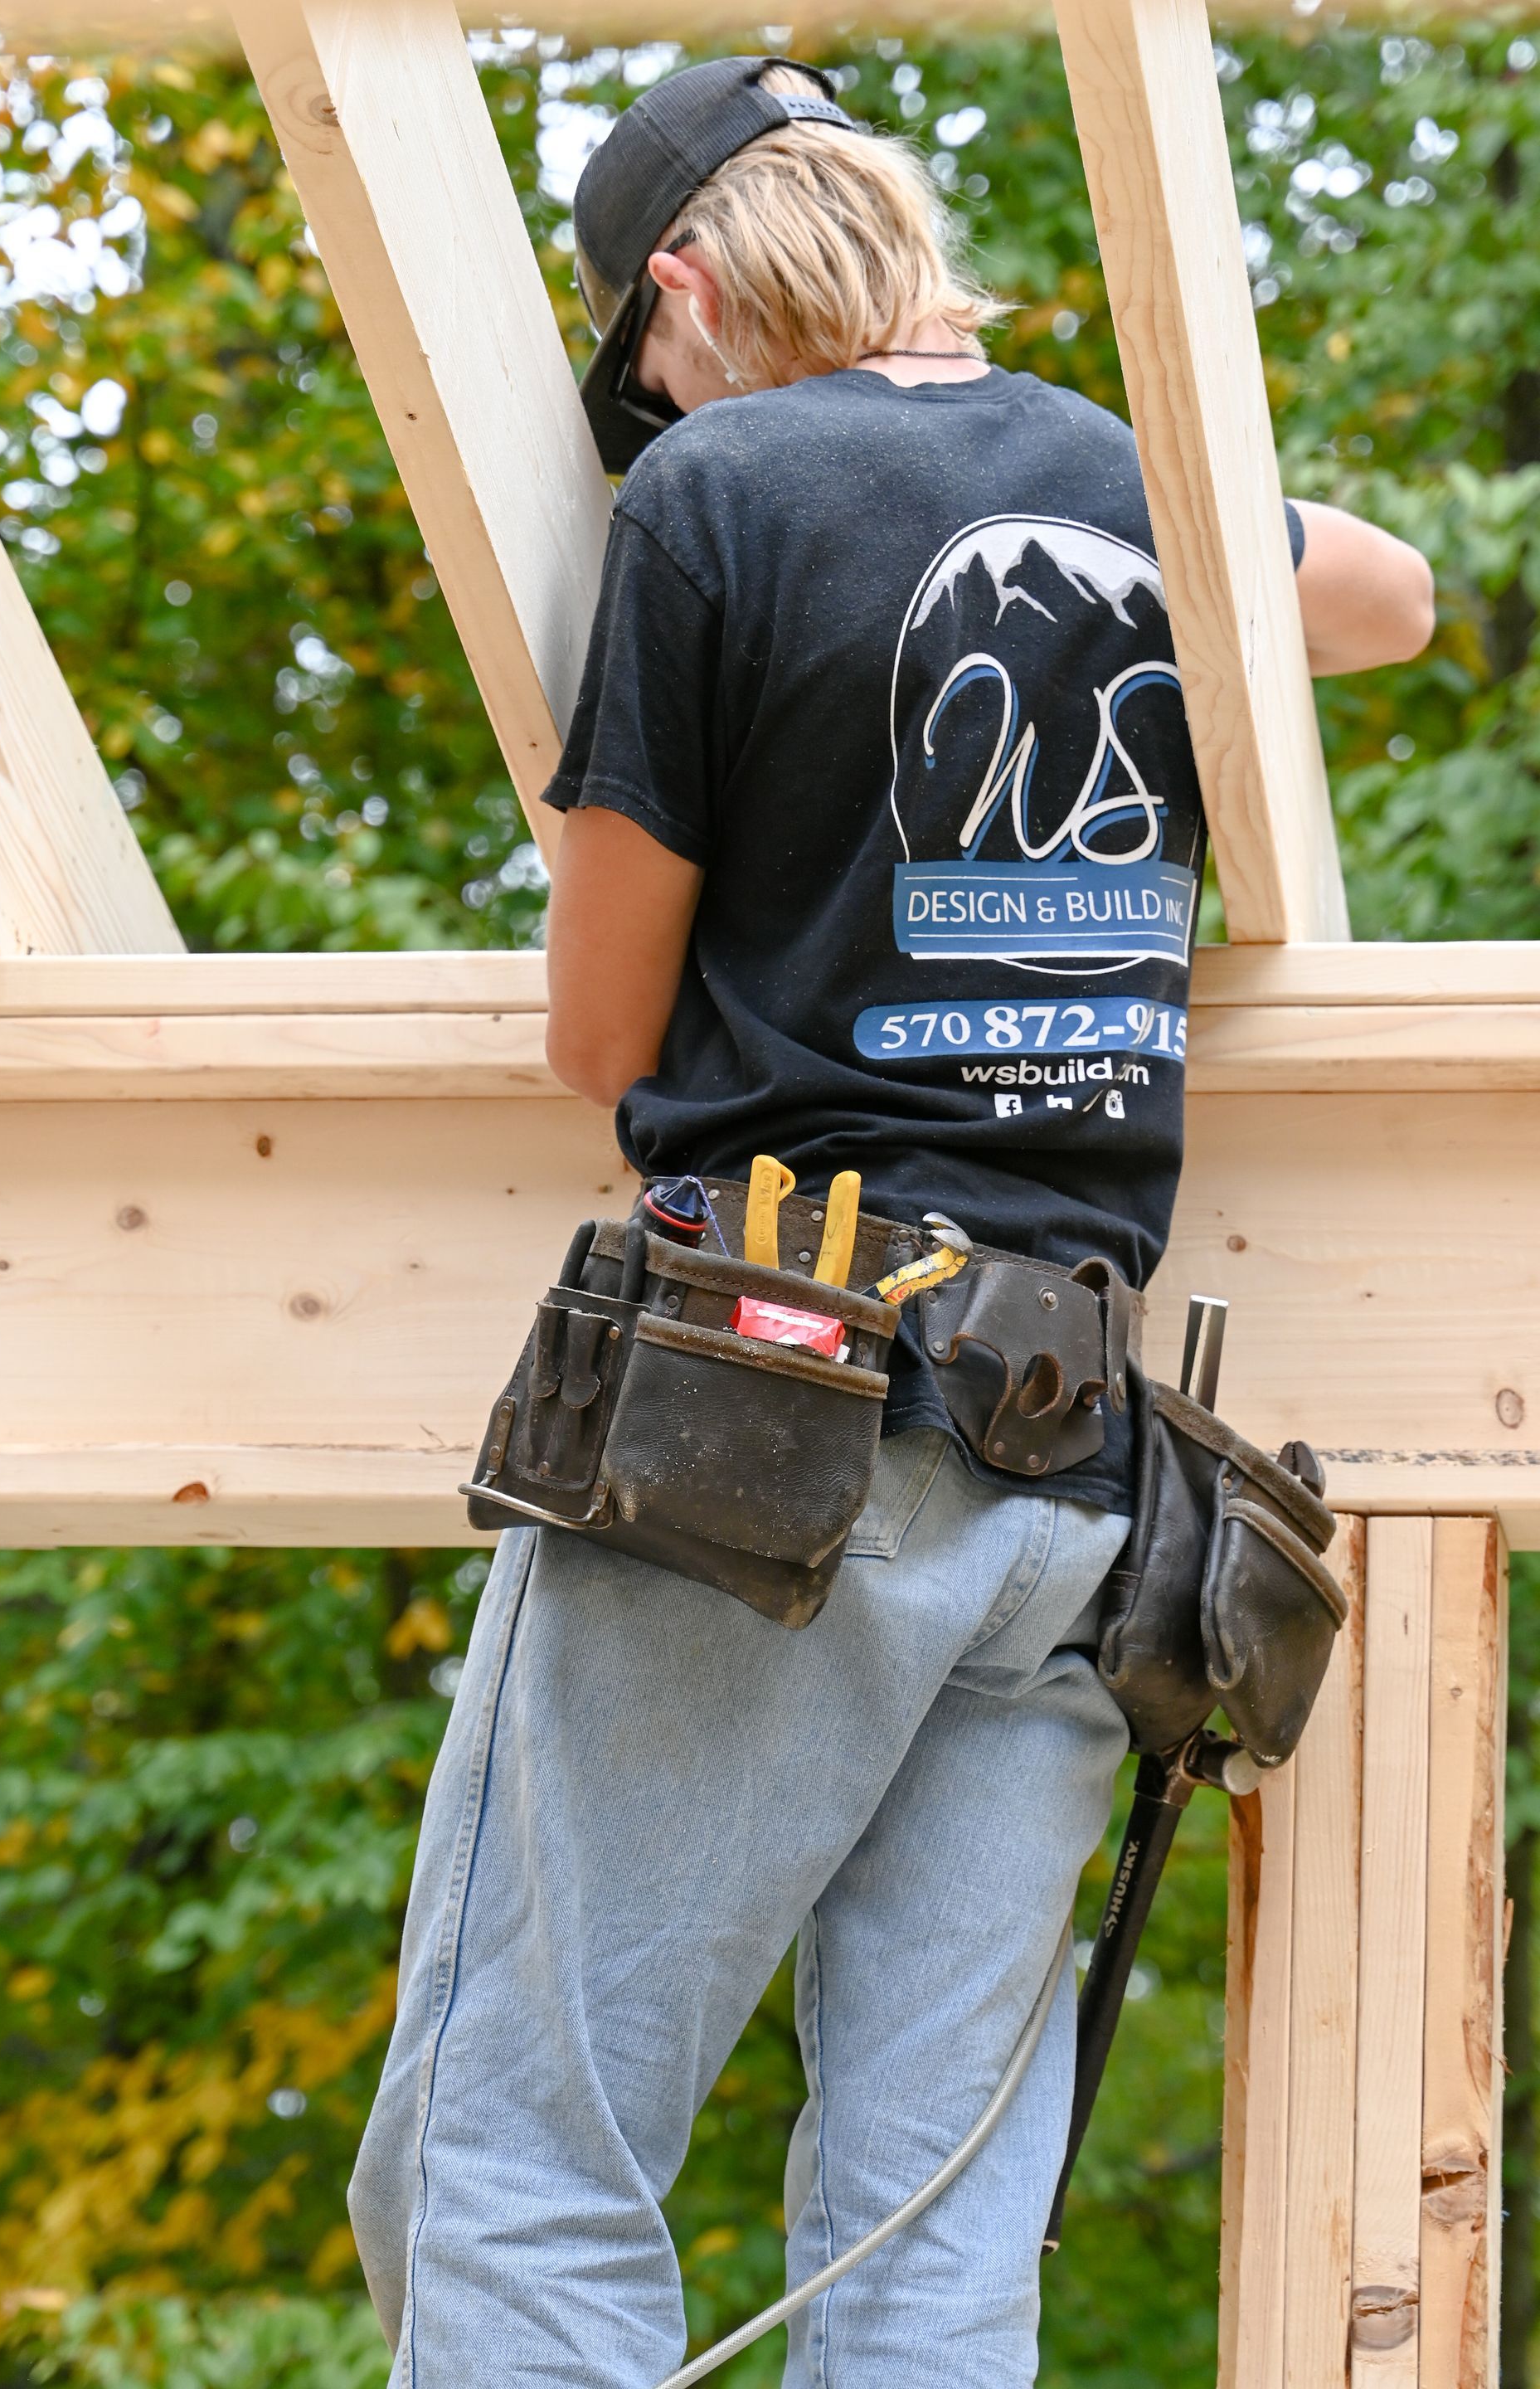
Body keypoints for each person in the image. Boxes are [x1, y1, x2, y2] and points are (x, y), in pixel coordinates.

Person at [350, 56, 1433, 2389]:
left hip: (775, 1410)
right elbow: (1398, 597)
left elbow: (597, 1030)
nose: (651, 420)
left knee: (513, 2149)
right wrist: (1163, 547)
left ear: (687, 287)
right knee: (926, 2229)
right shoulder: (1124, 485)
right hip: (1084, 1486)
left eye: (640, 379)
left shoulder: (722, 494)